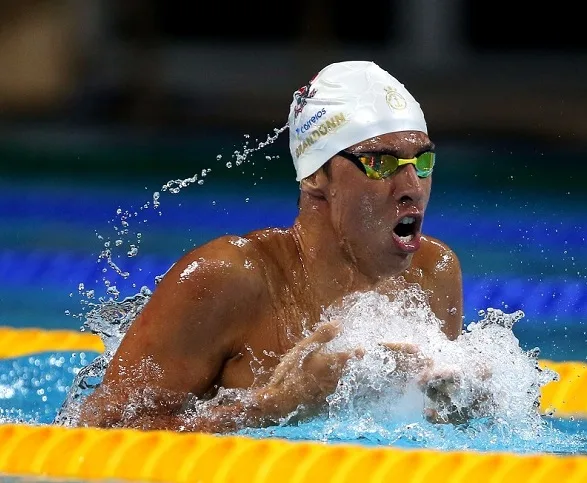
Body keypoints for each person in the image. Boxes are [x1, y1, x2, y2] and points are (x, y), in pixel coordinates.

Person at [76, 60, 465, 432]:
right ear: (315, 175)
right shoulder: (227, 277)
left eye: (423, 160)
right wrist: (274, 405)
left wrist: (468, 408)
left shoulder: (433, 273)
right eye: (380, 163)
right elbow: (96, 431)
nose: (413, 187)